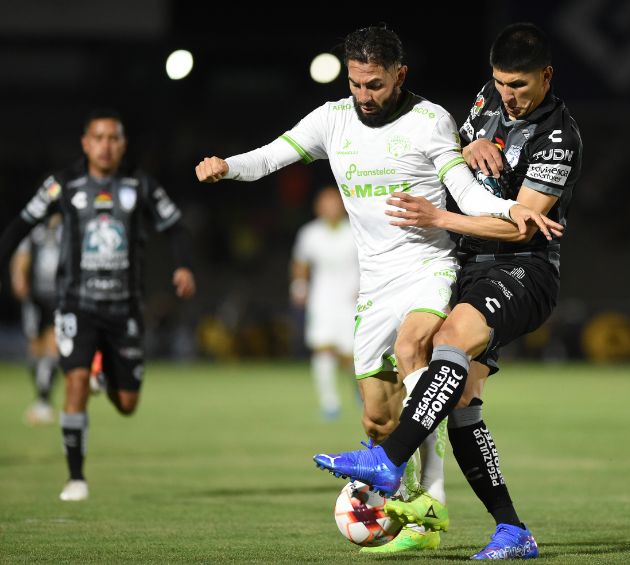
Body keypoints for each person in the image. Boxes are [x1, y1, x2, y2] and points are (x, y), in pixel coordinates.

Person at [195, 25, 561, 554]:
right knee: (379, 417)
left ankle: (427, 506)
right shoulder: (332, 119)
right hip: (376, 281)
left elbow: (464, 191)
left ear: (399, 75)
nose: (364, 96)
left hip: (430, 266)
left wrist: (510, 210)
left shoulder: (429, 120)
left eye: (375, 85)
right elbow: (272, 156)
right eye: (356, 84)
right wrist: (228, 167)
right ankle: (411, 494)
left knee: (418, 347)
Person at [314, 22, 582, 560]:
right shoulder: (487, 101)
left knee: (449, 341)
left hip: (521, 269)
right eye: (502, 83)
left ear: (546, 76)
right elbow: (451, 149)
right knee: (458, 399)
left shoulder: (559, 137)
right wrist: (472, 139)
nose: (510, 95)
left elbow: (519, 226)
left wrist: (439, 217)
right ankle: (508, 528)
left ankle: (389, 459)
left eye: (521, 86)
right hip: (467, 267)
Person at [0, 108, 196, 501]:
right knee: (72, 382)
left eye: (114, 139)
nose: (106, 146)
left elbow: (175, 226)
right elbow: (22, 223)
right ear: (85, 143)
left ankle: (103, 367)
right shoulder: (62, 185)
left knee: (127, 404)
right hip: (76, 304)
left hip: (125, 308)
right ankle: (76, 478)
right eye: (99, 138)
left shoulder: (139, 185)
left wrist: (184, 265)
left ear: (123, 144)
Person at [290, 186, 359, 420]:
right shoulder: (310, 233)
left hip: (351, 300)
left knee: (353, 355)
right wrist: (299, 286)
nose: (331, 207)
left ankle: (360, 390)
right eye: (326, 203)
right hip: (322, 300)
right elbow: (301, 262)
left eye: (335, 202)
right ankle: (330, 403)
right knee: (323, 349)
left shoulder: (355, 231)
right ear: (318, 207)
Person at [10, 213, 62, 425]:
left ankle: (44, 400)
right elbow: (21, 257)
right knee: (35, 348)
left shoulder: (67, 229)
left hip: (59, 297)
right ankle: (42, 395)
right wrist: (19, 277)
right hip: (35, 297)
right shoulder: (33, 231)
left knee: (54, 346)